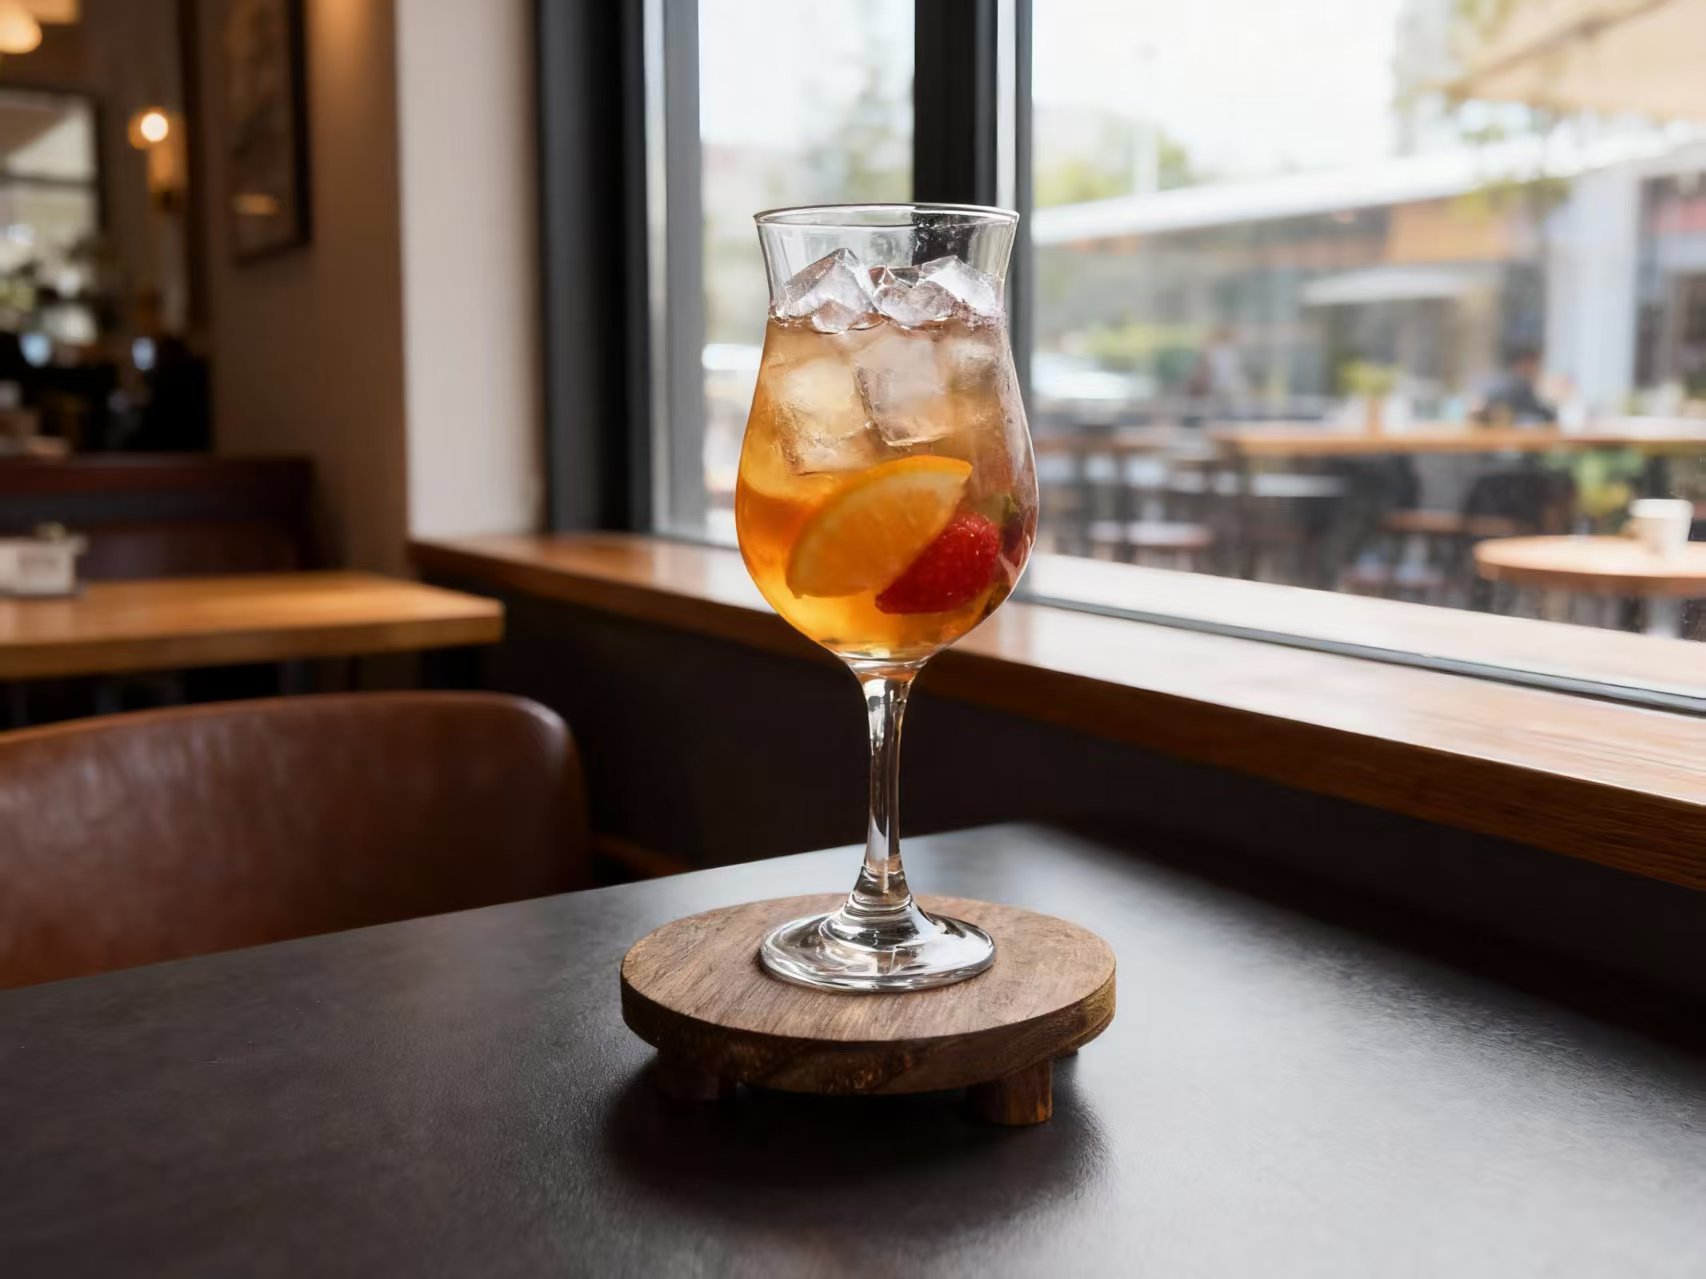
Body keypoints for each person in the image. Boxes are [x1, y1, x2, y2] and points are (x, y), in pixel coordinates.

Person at [1475, 347, 1555, 426]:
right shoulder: (1519, 386)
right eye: (1535, 364)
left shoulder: (1496, 382)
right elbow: (1544, 414)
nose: (1536, 369)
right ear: (1524, 363)